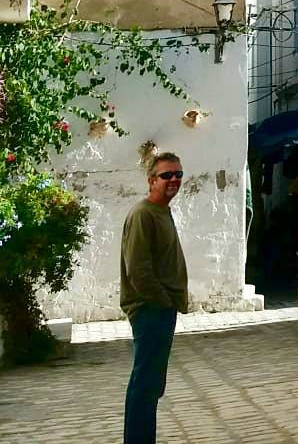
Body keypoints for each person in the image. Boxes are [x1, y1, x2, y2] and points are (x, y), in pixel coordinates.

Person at [121, 151, 189, 444]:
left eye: (178, 174)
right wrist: (162, 300)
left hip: (161, 308)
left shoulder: (162, 211)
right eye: (166, 175)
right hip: (150, 309)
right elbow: (138, 270)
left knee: (151, 385)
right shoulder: (143, 214)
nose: (174, 180)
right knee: (145, 384)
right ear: (151, 180)